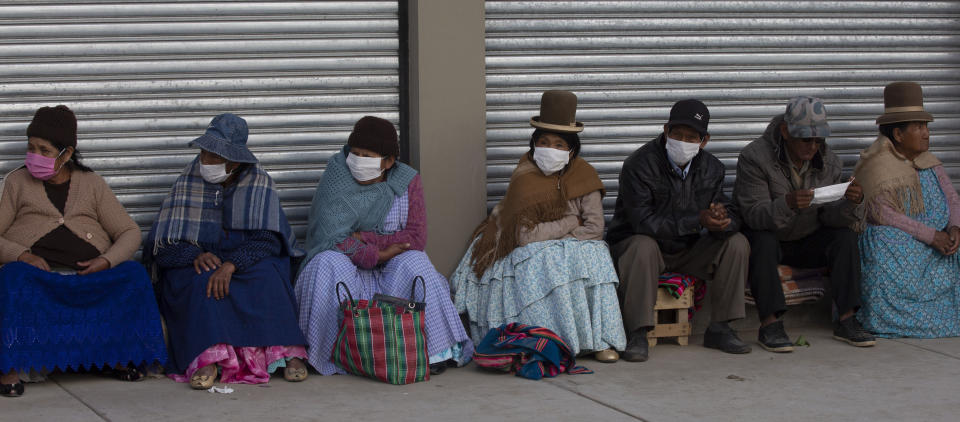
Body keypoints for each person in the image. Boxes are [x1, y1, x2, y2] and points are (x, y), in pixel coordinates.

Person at [0, 105, 166, 398]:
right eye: (31, 148)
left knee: (132, 275)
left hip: (89, 279)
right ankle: (10, 367)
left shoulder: (91, 184)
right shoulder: (16, 183)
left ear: (66, 154)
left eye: (44, 150)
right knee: (12, 279)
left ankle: (111, 357)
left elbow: (128, 231)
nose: (35, 156)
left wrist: (106, 260)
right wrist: (22, 255)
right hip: (41, 279)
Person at [451, 91, 626, 362]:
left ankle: (598, 340)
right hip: (527, 242)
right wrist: (570, 222)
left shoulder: (585, 175)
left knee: (596, 254)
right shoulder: (525, 173)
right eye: (543, 143)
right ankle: (542, 341)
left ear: (572, 150)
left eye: (558, 145)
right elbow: (524, 235)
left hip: (570, 242)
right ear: (534, 145)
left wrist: (564, 236)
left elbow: (594, 227)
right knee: (537, 259)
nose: (550, 150)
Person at [295, 116, 473, 376]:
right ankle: (333, 353)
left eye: (367, 155)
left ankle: (432, 352)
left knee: (417, 262)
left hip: (392, 269)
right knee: (326, 262)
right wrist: (371, 254)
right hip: (348, 266)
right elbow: (330, 234)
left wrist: (372, 243)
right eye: (354, 153)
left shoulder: (408, 181)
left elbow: (415, 236)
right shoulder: (337, 173)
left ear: (388, 161)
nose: (357, 160)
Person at [146, 113, 307, 389]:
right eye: (204, 153)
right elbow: (164, 246)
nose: (205, 161)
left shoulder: (259, 182)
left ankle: (287, 354)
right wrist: (192, 254)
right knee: (199, 282)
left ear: (234, 161)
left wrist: (232, 264)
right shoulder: (187, 182)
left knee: (268, 278)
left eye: (214, 156)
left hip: (247, 259)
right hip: (199, 259)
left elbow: (268, 239)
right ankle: (206, 358)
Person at [607, 99, 751, 362]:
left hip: (688, 249)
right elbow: (643, 222)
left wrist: (723, 220)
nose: (682, 141)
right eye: (677, 134)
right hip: (645, 249)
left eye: (691, 137)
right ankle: (637, 331)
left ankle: (721, 328)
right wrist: (698, 221)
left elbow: (730, 210)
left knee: (737, 242)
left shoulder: (713, 168)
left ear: (704, 140)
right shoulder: (639, 165)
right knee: (642, 245)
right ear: (666, 130)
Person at [734, 96, 875, 352]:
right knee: (760, 240)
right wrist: (786, 204)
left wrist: (851, 203)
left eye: (818, 140)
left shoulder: (829, 161)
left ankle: (847, 319)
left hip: (807, 236)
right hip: (771, 236)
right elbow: (753, 214)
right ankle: (770, 324)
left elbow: (829, 216)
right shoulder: (754, 157)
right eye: (805, 139)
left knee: (844, 237)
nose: (812, 147)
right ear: (786, 132)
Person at [855, 82, 960, 337]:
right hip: (902, 247)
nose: (926, 134)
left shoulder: (930, 163)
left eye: (926, 127)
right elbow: (882, 214)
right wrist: (931, 236)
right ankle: (894, 318)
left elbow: (953, 199)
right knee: (882, 239)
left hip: (939, 244)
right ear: (898, 134)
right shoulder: (876, 165)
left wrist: (954, 228)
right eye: (919, 127)